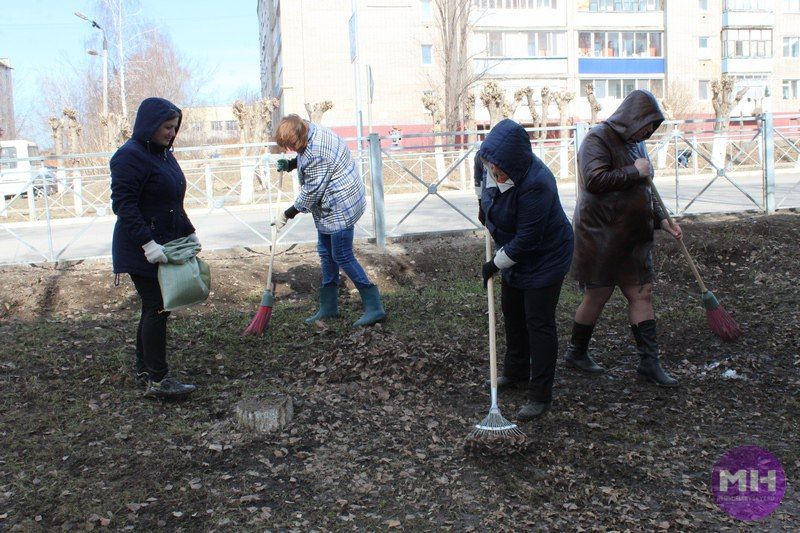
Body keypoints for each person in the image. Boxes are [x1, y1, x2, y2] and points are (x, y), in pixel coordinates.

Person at [565, 89, 682, 387]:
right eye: (647, 125)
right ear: (634, 117)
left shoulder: (636, 145)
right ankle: (576, 352)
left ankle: (649, 364)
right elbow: (594, 180)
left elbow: (644, 190)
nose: (649, 133)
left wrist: (662, 219)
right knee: (598, 294)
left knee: (641, 293)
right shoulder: (597, 139)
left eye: (653, 128)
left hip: (633, 238)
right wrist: (633, 170)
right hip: (601, 236)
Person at [477, 119, 574, 422]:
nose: (495, 171)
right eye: (492, 165)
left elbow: (528, 240)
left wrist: (495, 264)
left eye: (500, 168)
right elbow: (481, 183)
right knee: (512, 311)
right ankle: (516, 372)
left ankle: (540, 395)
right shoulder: (489, 161)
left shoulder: (537, 183)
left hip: (545, 255)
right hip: (514, 252)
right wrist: (482, 205)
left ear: (516, 163)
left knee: (538, 322)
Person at [111, 97, 197, 399]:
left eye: (175, 128)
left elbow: (173, 201)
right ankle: (159, 380)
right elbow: (124, 205)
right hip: (139, 246)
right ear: (150, 124)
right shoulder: (129, 156)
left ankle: (145, 370)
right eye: (167, 127)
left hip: (165, 244)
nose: (172, 134)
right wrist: (147, 244)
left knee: (154, 308)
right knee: (158, 308)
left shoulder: (162, 154)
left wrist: (190, 234)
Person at [273, 114, 386, 327]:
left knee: (342, 254)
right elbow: (305, 155)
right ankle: (329, 307)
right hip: (332, 203)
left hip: (340, 204)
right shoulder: (311, 130)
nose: (289, 149)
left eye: (290, 146)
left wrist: (286, 214)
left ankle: (374, 306)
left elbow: (311, 192)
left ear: (300, 135)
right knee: (326, 253)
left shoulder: (318, 152)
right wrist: (291, 164)